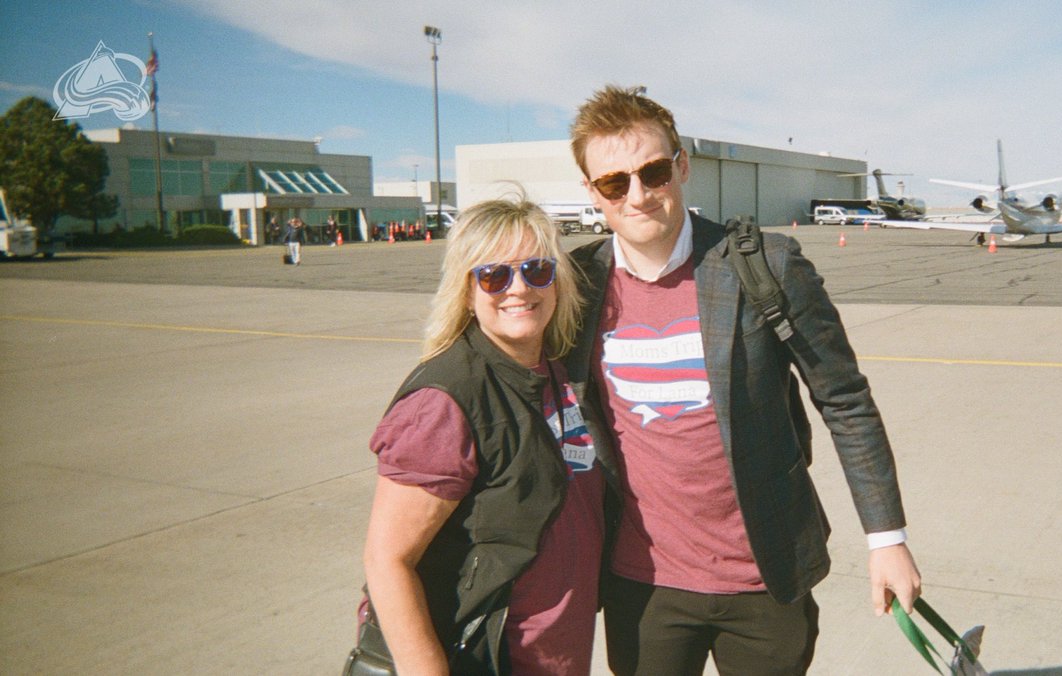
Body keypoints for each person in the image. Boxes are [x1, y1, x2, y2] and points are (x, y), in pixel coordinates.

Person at [565, 85, 922, 675]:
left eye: (653, 172)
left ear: (681, 166)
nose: (638, 195)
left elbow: (844, 400)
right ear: (591, 191)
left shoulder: (764, 265)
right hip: (642, 584)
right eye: (614, 183)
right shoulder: (577, 284)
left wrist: (887, 537)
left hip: (763, 576)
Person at [360, 194, 615, 675]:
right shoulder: (445, 401)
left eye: (537, 270)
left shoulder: (558, 372)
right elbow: (386, 561)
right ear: (466, 291)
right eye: (494, 275)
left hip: (555, 655)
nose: (519, 288)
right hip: (483, 657)